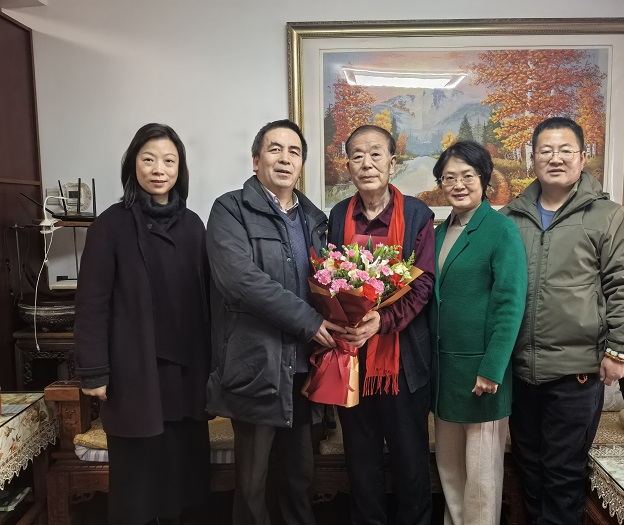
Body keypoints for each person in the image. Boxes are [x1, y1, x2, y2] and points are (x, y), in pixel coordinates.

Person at [501, 117, 624, 524]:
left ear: (583, 157)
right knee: (529, 468)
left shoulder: (609, 216)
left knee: (563, 474)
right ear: (532, 159)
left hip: (576, 371)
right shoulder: (510, 217)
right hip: (519, 369)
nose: (556, 158)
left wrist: (621, 349)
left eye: (566, 150)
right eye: (546, 151)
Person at [205, 119, 344, 525]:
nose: (285, 158)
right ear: (256, 160)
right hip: (255, 366)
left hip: (305, 369)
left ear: (301, 165)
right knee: (252, 484)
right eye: (275, 149)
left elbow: (329, 283)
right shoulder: (230, 209)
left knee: (300, 478)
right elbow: (240, 281)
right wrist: (308, 321)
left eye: (294, 151)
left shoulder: (315, 219)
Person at [74, 123, 211, 525]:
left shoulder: (194, 225)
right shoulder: (110, 225)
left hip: (186, 372)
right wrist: (94, 371)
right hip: (135, 372)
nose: (158, 169)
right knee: (137, 482)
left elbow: (208, 299)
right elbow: (91, 304)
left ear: (180, 169)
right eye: (148, 159)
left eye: (169, 160)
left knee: (182, 476)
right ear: (132, 164)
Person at [328, 124, 436, 525]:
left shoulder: (417, 214)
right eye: (357, 155)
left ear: (393, 162)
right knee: (361, 461)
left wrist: (382, 320)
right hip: (351, 357)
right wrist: (343, 320)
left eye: (376, 154)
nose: (367, 163)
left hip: (403, 362)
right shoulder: (338, 214)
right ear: (348, 166)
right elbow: (328, 277)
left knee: (410, 463)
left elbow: (423, 283)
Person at [429, 141, 527, 525]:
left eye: (467, 176)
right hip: (445, 371)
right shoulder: (439, 232)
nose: (458, 184)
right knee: (450, 471)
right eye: (448, 177)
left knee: (481, 478)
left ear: (484, 179)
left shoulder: (501, 229)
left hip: (481, 374)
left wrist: (492, 368)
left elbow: (510, 304)